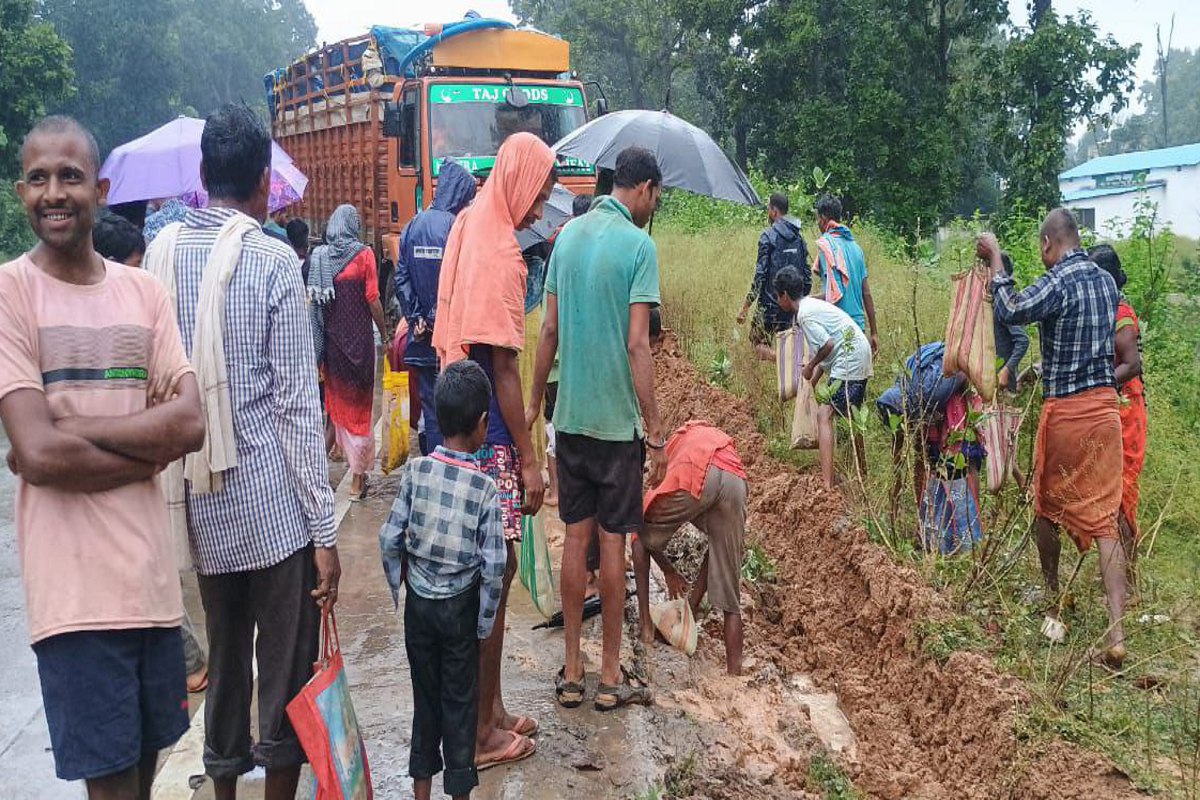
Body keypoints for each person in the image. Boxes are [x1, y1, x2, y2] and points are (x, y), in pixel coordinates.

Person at [0, 116, 205, 799]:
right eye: (37, 178)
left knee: (144, 782)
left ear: (101, 188)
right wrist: (146, 453)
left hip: (149, 589)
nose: (53, 192)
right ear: (20, 190)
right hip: (74, 601)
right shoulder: (11, 293)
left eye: (70, 176)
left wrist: (76, 420)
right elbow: (37, 450)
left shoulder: (142, 293)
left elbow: (192, 421)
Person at [143, 105, 339, 799]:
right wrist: (325, 532)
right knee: (284, 672)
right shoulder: (270, 260)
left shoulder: (158, 258)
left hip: (197, 508)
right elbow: (294, 409)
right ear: (262, 182)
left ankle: (224, 792)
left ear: (202, 177)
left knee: (226, 665)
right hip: (271, 514)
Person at [527, 145, 667, 712]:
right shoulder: (639, 246)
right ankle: (610, 677)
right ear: (645, 189)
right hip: (616, 429)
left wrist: (537, 402)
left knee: (575, 538)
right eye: (655, 196)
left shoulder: (566, 239)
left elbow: (549, 330)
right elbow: (639, 343)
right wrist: (655, 429)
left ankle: (570, 670)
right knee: (613, 544)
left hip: (572, 421)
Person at [432, 131, 554, 768]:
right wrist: (531, 460)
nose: (541, 205)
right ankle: (481, 733)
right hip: (491, 442)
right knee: (493, 577)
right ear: (518, 181)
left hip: (456, 426)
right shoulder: (502, 250)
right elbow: (504, 366)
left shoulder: (469, 221)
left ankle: (491, 709)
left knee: (489, 574)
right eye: (538, 190)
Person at [978, 209, 1127, 667]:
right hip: (1105, 411)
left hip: (1067, 412)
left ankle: (1053, 597)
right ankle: (1116, 634)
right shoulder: (1106, 282)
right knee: (1105, 519)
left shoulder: (1059, 279)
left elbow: (1011, 310)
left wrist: (996, 260)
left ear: (1048, 244)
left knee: (1047, 504)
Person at [379, 360, 509, 798]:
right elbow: (493, 566)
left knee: (425, 703)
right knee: (459, 705)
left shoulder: (416, 473)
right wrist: (484, 623)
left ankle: (421, 792)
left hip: (419, 608)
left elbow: (390, 537)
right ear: (482, 425)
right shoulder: (485, 488)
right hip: (460, 611)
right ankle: (458, 793)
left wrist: (400, 588)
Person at [634, 421, 748, 675]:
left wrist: (667, 569)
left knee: (639, 537)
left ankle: (646, 627)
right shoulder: (707, 434)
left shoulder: (674, 449)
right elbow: (717, 550)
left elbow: (640, 525)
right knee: (731, 603)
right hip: (735, 481)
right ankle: (735, 675)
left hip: (697, 473)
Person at [396, 158, 478, 455]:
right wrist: (434, 318)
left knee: (432, 412)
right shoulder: (456, 228)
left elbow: (401, 276)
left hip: (419, 340)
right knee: (455, 411)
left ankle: (432, 465)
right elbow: (461, 281)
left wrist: (416, 316)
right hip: (449, 339)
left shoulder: (412, 226)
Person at [308, 204, 389, 499]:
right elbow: (373, 299)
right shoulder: (364, 255)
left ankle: (314, 476)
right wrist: (385, 332)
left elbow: (316, 309)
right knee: (359, 414)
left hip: (332, 349)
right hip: (360, 349)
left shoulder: (320, 258)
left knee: (334, 411)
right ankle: (357, 482)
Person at [774, 266, 873, 489]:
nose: (778, 301)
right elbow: (827, 350)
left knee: (824, 414)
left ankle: (827, 484)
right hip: (857, 353)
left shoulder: (804, 315)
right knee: (852, 415)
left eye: (777, 296)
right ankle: (862, 474)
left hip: (850, 358)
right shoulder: (811, 305)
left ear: (785, 296)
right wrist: (813, 377)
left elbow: (828, 345)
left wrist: (809, 365)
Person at [1088, 244, 1146, 582]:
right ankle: (1114, 573)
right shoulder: (1104, 309)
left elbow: (1131, 365)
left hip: (1126, 414)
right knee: (1106, 495)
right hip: (1108, 410)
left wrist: (1095, 381)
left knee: (1123, 497)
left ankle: (1132, 580)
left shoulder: (1121, 311)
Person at [543, 192, 593, 508]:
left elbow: (550, 322)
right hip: (576, 358)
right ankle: (570, 489)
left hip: (556, 358)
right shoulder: (591, 248)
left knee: (554, 420)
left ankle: (559, 491)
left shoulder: (559, 245)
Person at [738, 193, 808, 360]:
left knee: (757, 343)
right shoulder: (800, 239)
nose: (768, 212)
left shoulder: (768, 236)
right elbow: (807, 276)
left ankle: (781, 359)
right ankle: (787, 365)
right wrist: (799, 303)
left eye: (768, 208)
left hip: (769, 306)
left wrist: (745, 307)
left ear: (774, 211)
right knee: (790, 344)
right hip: (792, 306)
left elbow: (760, 276)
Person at [813, 195, 879, 355]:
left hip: (839, 326)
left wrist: (805, 302)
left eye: (817, 219)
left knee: (839, 376)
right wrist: (874, 332)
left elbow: (833, 294)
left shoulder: (826, 246)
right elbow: (866, 293)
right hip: (859, 328)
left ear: (823, 219)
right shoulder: (856, 248)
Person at [995, 253, 1030, 394]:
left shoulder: (1004, 304)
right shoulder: (989, 302)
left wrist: (1006, 369)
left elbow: (1023, 340)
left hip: (1004, 385)